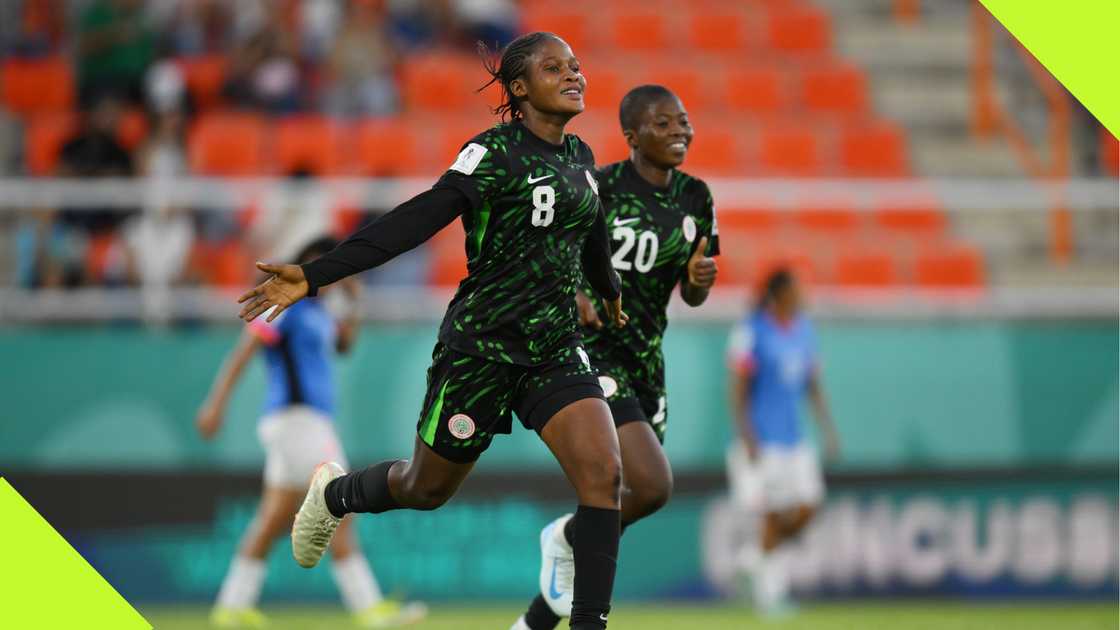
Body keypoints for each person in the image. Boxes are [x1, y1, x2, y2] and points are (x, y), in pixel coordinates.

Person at [237, 32, 629, 630]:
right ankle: (335, 496)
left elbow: (593, 232)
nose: (574, 75)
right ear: (518, 88)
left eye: (576, 65)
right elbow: (416, 219)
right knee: (425, 488)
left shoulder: (580, 157)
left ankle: (588, 624)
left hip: (553, 348)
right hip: (482, 348)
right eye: (555, 68)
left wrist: (609, 292)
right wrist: (317, 276)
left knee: (605, 475)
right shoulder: (492, 153)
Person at [513, 85, 719, 630]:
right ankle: (562, 539)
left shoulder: (696, 198)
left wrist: (698, 283)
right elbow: (549, 247)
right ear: (631, 136)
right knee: (651, 485)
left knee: (617, 510)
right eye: (663, 123)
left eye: (684, 120)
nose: (679, 130)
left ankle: (533, 622)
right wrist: (576, 291)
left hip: (646, 360)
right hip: (592, 352)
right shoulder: (597, 187)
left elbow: (692, 292)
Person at [197, 237, 426, 628]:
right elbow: (245, 348)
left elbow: (344, 345)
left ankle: (231, 607)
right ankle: (368, 609)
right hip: (297, 420)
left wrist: (354, 302)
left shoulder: (318, 312)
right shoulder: (287, 307)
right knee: (341, 503)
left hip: (303, 423)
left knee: (270, 520)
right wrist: (216, 402)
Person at [724, 268, 840, 616]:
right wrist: (747, 434)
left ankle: (753, 559)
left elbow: (812, 382)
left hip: (796, 439)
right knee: (772, 515)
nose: (801, 296)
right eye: (795, 291)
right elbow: (738, 387)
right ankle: (770, 596)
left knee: (810, 506)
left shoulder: (804, 328)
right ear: (778, 295)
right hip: (765, 439)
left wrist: (827, 428)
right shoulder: (751, 330)